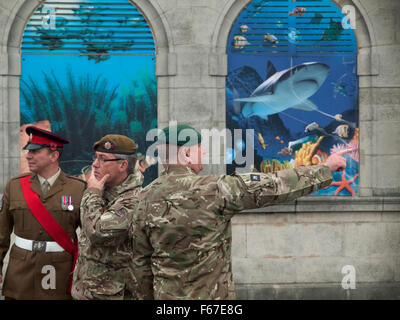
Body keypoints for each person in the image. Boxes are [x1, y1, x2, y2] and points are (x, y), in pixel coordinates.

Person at [130, 124, 350, 300]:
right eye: (200, 147)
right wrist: (324, 168)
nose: (204, 151)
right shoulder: (215, 189)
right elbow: (274, 184)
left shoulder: (143, 198)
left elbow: (140, 265)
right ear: (187, 152)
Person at [0, 126, 85, 300]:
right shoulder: (15, 186)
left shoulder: (78, 188)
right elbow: (1, 233)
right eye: (27, 151)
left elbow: (89, 236)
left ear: (54, 155)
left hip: (59, 272)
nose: (28, 156)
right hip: (20, 273)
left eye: (35, 151)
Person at [71, 134, 143, 300]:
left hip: (114, 295)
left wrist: (92, 193)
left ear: (123, 165)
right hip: (87, 292)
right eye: (95, 158)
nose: (95, 164)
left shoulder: (133, 199)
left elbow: (98, 232)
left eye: (103, 159)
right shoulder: (102, 191)